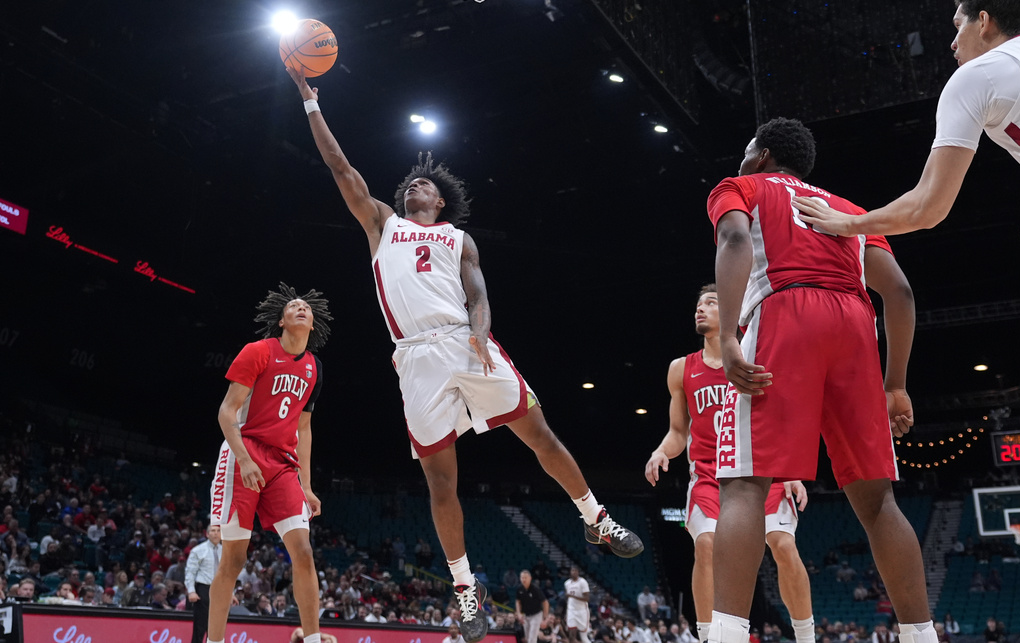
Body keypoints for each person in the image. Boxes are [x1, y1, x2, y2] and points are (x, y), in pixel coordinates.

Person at [286, 67, 642, 643]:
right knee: (440, 482)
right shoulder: (382, 225)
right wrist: (310, 105)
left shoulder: (459, 239)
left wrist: (481, 332)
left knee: (540, 434)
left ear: (441, 199)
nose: (411, 189)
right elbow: (342, 170)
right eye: (407, 186)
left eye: (421, 186)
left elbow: (479, 296)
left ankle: (597, 518)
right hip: (416, 359)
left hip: (465, 341)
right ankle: (464, 591)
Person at [704, 118, 932, 643]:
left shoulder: (741, 187)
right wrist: (895, 384)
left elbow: (736, 237)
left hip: (785, 310)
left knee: (743, 486)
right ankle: (923, 636)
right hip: (855, 324)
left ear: (760, 154)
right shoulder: (849, 209)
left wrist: (733, 337)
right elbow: (899, 294)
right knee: (877, 500)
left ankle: (729, 635)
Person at [793, 0, 1020, 236]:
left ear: (984, 22)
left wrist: (848, 223)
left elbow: (927, 207)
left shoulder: (977, 76)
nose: (953, 43)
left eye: (959, 26)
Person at [645, 284, 816, 643]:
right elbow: (678, 432)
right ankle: (708, 636)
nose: (700, 309)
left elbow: (785, 418)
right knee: (706, 543)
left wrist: (792, 472)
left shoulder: (758, 358)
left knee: (783, 545)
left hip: (761, 469)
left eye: (710, 302)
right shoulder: (681, 369)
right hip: (710, 474)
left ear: (733, 312)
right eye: (698, 304)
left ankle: (806, 636)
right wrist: (661, 450)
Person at [206, 283, 333, 643]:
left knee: (304, 551)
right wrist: (244, 460)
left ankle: (311, 639)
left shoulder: (314, 367)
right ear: (281, 320)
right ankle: (213, 641)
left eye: (306, 307)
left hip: (282, 464)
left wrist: (306, 485)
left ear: (313, 324)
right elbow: (226, 412)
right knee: (234, 559)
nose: (301, 308)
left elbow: (304, 429)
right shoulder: (257, 351)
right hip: (242, 453)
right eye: (293, 306)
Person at [186, 525, 224, 643]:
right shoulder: (198, 550)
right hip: (203, 590)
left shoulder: (226, 551)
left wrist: (230, 593)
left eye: (218, 531)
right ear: (207, 534)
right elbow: (190, 572)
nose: (216, 533)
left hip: (220, 591)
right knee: (200, 627)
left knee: (217, 628)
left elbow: (227, 574)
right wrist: (191, 591)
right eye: (213, 531)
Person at [516, 570, 549, 643]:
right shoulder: (519, 589)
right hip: (526, 615)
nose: (524, 579)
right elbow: (518, 602)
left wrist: (545, 617)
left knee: (532, 638)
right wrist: (518, 613)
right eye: (522, 577)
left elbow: (545, 602)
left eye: (525, 577)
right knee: (527, 638)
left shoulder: (535, 589)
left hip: (536, 615)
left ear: (530, 578)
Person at [564, 566, 591, 643]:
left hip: (582, 610)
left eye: (576, 571)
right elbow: (568, 598)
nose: (574, 572)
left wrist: (573, 596)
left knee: (583, 637)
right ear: (570, 572)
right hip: (571, 610)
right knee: (571, 634)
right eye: (572, 570)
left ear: (578, 572)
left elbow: (587, 598)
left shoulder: (583, 582)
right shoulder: (567, 583)